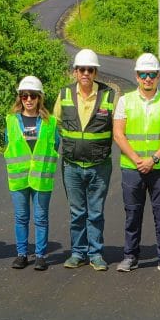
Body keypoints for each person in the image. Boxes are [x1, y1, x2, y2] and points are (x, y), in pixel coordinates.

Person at [112, 53, 160, 276]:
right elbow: (119, 134)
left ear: (158, 76)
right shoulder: (125, 100)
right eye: (143, 74)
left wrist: (153, 159)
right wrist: (137, 159)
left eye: (151, 74)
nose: (147, 78)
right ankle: (130, 256)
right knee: (133, 214)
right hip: (132, 168)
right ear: (137, 76)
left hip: (159, 169)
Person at [53, 49, 115, 271]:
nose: (86, 73)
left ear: (95, 72)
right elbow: (56, 123)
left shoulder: (109, 96)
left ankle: (96, 254)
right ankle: (78, 252)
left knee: (96, 212)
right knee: (77, 212)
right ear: (75, 72)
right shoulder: (65, 94)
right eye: (82, 69)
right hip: (71, 165)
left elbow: (118, 129)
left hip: (99, 165)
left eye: (90, 69)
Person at [5, 76, 60, 271]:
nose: (29, 100)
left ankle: (40, 255)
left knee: (41, 218)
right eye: (24, 96)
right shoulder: (11, 121)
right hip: (19, 178)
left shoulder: (50, 122)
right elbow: (8, 144)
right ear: (20, 98)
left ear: (39, 98)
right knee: (21, 217)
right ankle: (21, 255)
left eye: (33, 96)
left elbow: (55, 145)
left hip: (41, 178)